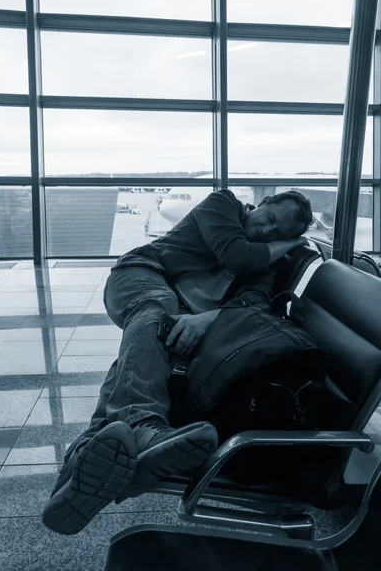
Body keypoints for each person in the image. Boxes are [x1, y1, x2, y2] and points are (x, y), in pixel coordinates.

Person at [42, 188, 313, 535]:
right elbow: (237, 257)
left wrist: (206, 319)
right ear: (261, 203)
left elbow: (253, 303)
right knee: (157, 307)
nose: (266, 232)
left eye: (278, 234)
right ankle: (142, 425)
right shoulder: (224, 204)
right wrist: (289, 245)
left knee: (135, 362)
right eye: (269, 219)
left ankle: (76, 473)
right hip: (140, 274)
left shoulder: (265, 260)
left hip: (175, 312)